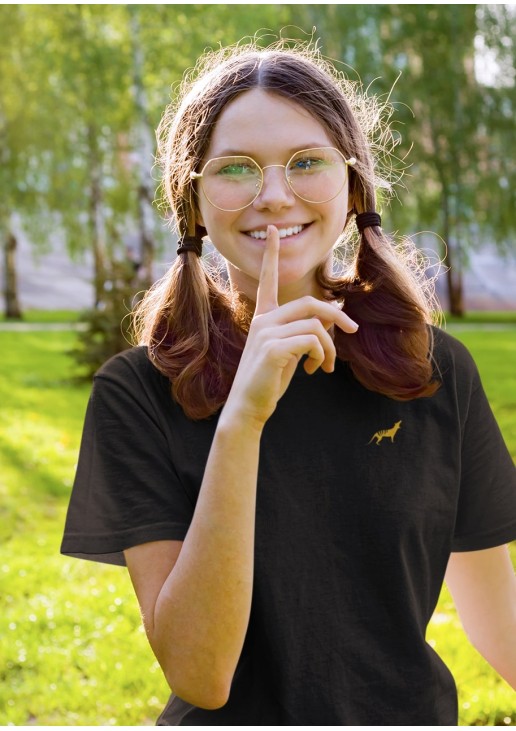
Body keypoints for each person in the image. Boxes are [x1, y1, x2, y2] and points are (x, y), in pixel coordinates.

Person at [61, 41, 516, 725]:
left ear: (354, 184)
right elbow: (199, 672)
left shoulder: (433, 369)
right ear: (191, 200)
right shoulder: (138, 392)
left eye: (307, 162)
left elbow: (496, 611)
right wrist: (242, 418)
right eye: (236, 168)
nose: (274, 196)